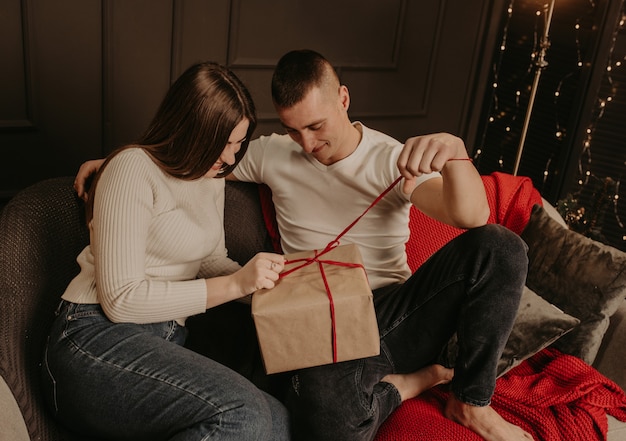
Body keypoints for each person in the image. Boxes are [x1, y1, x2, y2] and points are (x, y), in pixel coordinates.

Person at [74, 50, 533, 441]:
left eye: (316, 126)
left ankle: (471, 401)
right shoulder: (274, 152)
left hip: (390, 314)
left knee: (500, 246)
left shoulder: (390, 158)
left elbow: (471, 217)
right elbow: (197, 155)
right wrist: (124, 161)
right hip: (316, 320)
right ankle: (402, 387)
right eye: (295, 131)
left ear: (343, 98)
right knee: (321, 415)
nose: (308, 144)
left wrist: (455, 153)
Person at [42, 61, 291, 441]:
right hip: (92, 337)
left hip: (162, 339)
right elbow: (121, 301)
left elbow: (206, 260)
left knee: (279, 420)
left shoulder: (211, 178)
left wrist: (269, 286)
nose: (228, 157)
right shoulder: (131, 169)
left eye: (237, 144)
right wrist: (237, 285)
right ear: (189, 129)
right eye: (221, 142)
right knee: (244, 415)